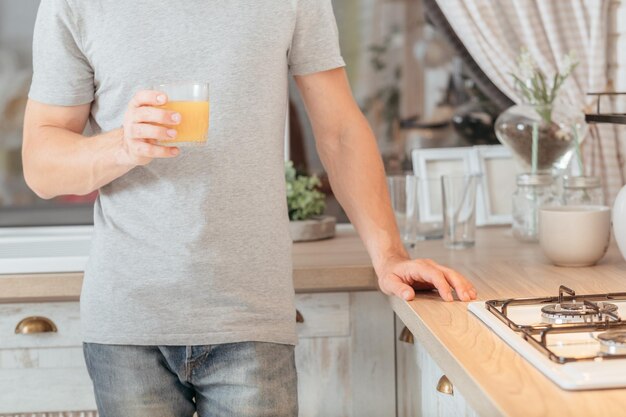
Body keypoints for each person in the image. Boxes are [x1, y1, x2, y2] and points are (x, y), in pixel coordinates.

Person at [22, 1, 477, 416]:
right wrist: (122, 144)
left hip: (250, 317)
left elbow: (339, 131)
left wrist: (390, 254)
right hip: (127, 323)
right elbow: (41, 166)